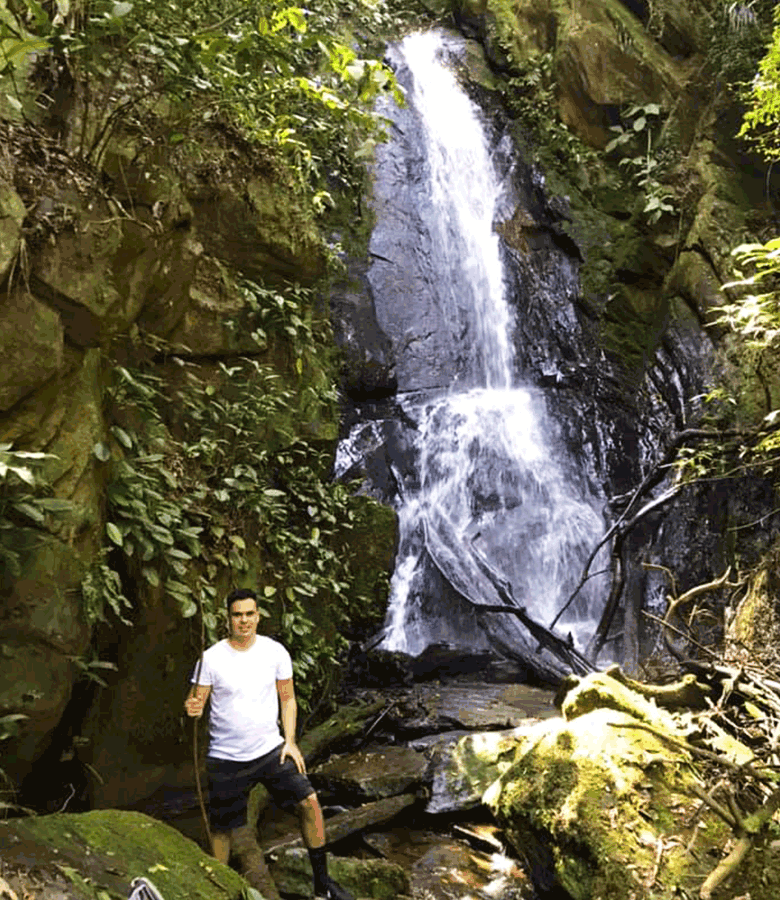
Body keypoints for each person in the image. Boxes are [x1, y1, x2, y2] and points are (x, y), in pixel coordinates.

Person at [184, 588, 352, 900]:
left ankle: (321, 886)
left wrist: (290, 741)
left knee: (310, 802)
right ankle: (216, 891)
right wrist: (191, 707)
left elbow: (287, 699)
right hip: (226, 758)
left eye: (249, 614)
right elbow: (196, 701)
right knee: (222, 831)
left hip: (270, 751)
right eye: (237, 615)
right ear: (228, 619)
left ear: (258, 616)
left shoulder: (275, 652)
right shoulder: (211, 658)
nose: (244, 620)